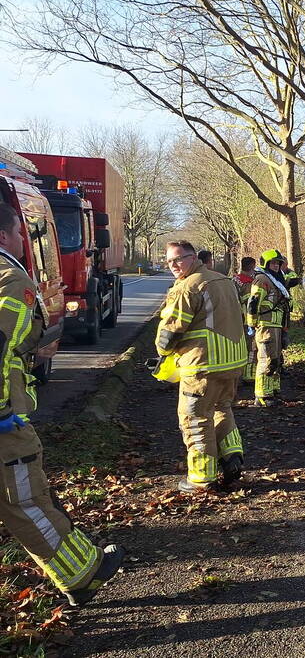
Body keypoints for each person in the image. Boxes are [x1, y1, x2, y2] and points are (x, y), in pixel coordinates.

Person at [0, 203, 124, 606]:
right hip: (3, 423)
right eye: (21, 232)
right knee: (26, 502)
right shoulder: (8, 280)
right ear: (4, 235)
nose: (24, 241)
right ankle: (81, 574)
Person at [156, 240, 248, 493]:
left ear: (193, 257)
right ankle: (232, 457)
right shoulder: (224, 281)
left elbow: (170, 331)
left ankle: (201, 479)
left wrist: (162, 354)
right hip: (231, 363)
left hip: (202, 366)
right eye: (169, 261)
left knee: (195, 419)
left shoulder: (187, 287)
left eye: (178, 259)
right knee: (222, 409)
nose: (173, 265)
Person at [247, 250, 291, 406]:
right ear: (265, 264)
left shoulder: (276, 280)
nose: (276, 266)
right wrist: (252, 324)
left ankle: (272, 391)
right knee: (267, 360)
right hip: (265, 326)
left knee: (276, 361)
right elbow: (253, 302)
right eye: (273, 263)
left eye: (278, 263)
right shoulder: (262, 279)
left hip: (276, 326)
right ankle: (262, 396)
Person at [233, 256, 258, 383]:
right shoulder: (248, 283)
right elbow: (251, 304)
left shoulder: (235, 279)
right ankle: (248, 376)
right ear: (252, 266)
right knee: (251, 349)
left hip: (234, 319)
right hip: (246, 320)